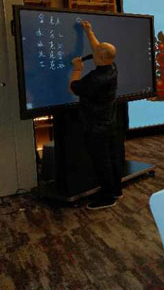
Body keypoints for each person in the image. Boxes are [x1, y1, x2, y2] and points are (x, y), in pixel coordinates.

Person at [69, 21, 120, 210]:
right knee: (111, 158)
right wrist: (89, 32)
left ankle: (107, 198)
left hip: (95, 126)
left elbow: (73, 88)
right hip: (109, 122)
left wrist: (77, 69)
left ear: (99, 57)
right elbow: (98, 49)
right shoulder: (112, 67)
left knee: (101, 162)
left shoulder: (95, 78)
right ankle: (116, 190)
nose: (94, 51)